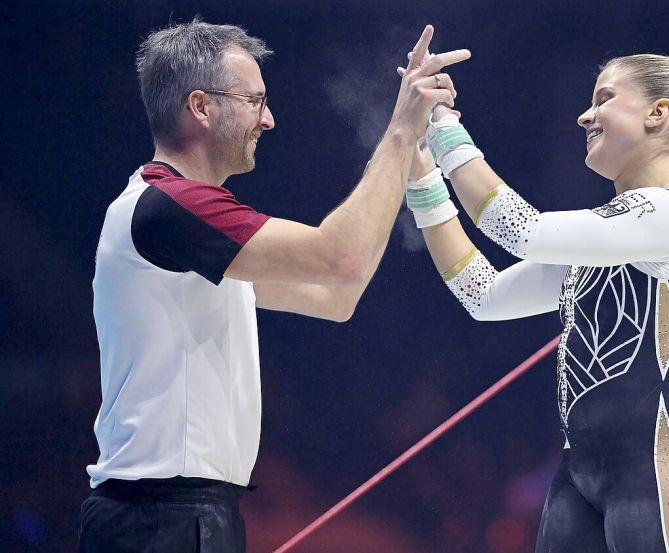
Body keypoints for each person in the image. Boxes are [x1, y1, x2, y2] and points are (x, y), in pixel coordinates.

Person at [80, 19, 468, 552]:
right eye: (254, 100)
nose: (269, 118)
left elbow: (336, 298)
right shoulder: (169, 207)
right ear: (201, 106)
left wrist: (405, 156)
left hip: (182, 514)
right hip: (161, 518)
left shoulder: (189, 227)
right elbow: (342, 259)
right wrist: (399, 130)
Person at [403, 53, 669, 552]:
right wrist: (422, 172)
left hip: (656, 465)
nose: (585, 115)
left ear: (657, 113)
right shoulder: (614, 233)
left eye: (604, 99)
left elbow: (521, 229)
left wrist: (444, 124)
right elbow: (483, 295)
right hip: (578, 474)